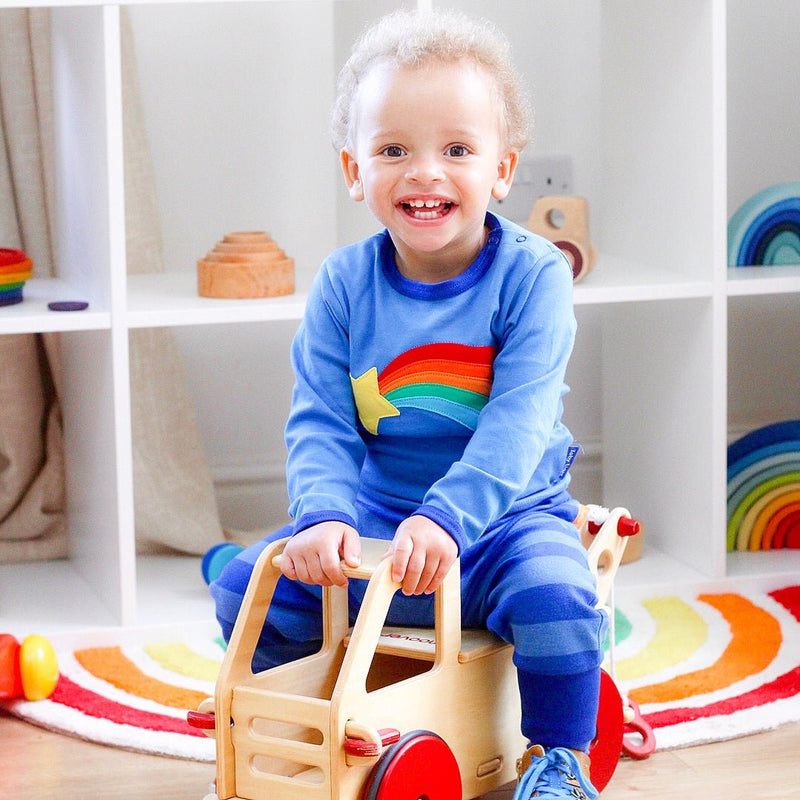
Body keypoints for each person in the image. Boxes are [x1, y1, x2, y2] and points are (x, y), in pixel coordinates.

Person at [210, 9, 606, 799]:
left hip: (501, 523)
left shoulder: (534, 278)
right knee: (247, 582)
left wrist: (448, 519)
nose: (425, 172)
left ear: (502, 169)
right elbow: (321, 417)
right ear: (356, 172)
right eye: (393, 150)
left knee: (557, 597)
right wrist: (323, 516)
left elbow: (518, 423)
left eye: (457, 149)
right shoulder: (344, 286)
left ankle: (560, 756)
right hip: (374, 524)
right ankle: (295, 706)